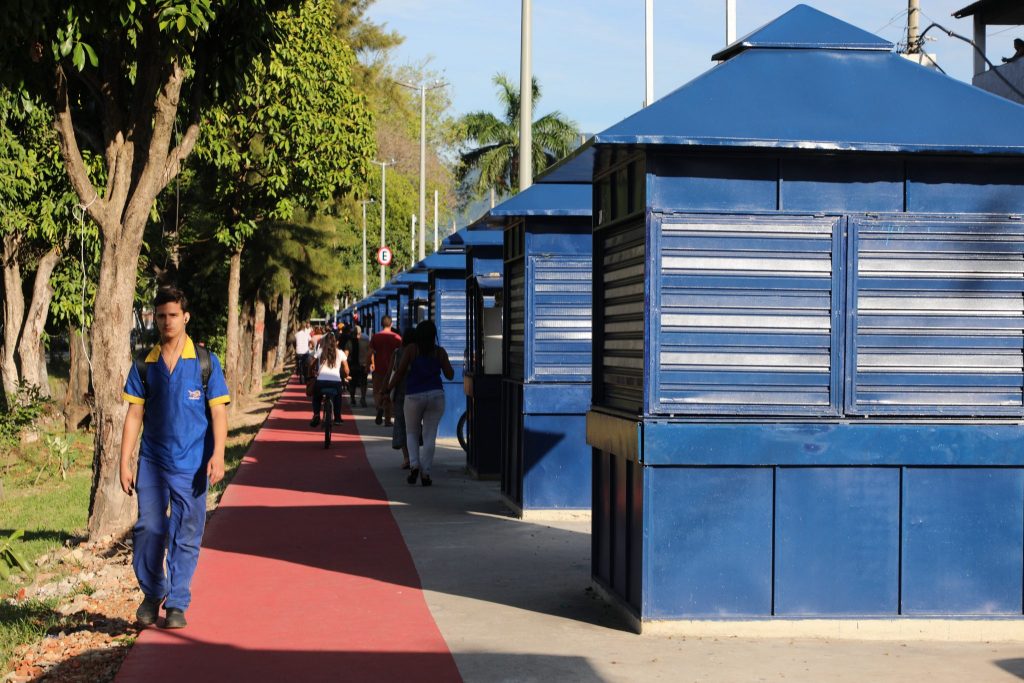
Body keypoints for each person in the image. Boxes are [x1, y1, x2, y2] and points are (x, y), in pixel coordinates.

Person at [120, 287, 231, 629]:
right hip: (152, 461)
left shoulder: (204, 362)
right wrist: (125, 461)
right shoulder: (144, 364)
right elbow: (134, 414)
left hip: (193, 463)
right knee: (149, 528)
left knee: (186, 531)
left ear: (185, 317)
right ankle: (154, 592)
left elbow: (219, 413)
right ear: (155, 318)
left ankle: (178, 602)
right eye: (161, 315)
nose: (167, 321)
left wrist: (218, 454)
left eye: (173, 315)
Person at [387, 320, 454, 487]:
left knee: (411, 432)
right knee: (430, 435)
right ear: (433, 335)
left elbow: (400, 372)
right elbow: (450, 374)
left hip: (413, 396)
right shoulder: (439, 352)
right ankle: (426, 473)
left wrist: (386, 389)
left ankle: (414, 465)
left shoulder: (411, 349)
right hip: (436, 396)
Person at [388, 329, 416, 469]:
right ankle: (414, 456)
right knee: (414, 425)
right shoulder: (419, 353)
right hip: (416, 391)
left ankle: (407, 458)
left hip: (400, 393)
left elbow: (392, 373)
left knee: (401, 424)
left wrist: (385, 390)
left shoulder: (397, 353)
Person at [310, 332, 350, 427]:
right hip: (336, 382)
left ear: (325, 342)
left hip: (321, 382)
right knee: (338, 396)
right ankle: (337, 417)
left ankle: (316, 414)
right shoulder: (340, 352)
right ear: (336, 342)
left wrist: (311, 374)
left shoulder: (320, 351)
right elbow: (346, 369)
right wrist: (345, 375)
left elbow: (311, 364)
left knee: (316, 396)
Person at [369, 316, 402, 426]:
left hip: (378, 369)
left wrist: (370, 364)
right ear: (391, 324)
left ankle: (379, 407)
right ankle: (387, 420)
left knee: (378, 391)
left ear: (382, 324)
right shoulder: (397, 338)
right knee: (390, 393)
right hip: (392, 370)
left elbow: (370, 353)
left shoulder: (376, 337)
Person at [347, 325, 370, 408]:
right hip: (363, 365)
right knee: (364, 383)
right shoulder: (366, 341)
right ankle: (363, 398)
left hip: (352, 366)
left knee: (352, 383)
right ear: (361, 333)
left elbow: (346, 355)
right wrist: (371, 364)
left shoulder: (349, 342)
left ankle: (353, 399)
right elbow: (370, 353)